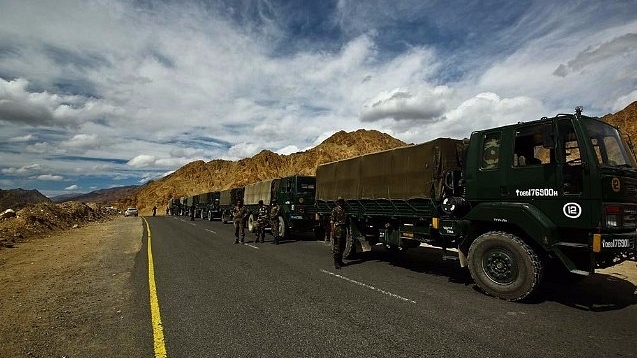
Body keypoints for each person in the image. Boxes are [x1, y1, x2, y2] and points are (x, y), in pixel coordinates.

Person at [330, 197, 348, 269]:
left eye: (342, 201)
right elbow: (332, 221)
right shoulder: (335, 210)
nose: (341, 203)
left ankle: (340, 261)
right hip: (338, 229)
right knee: (337, 246)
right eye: (340, 201)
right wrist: (332, 231)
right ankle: (336, 262)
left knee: (343, 245)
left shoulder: (344, 210)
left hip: (343, 228)